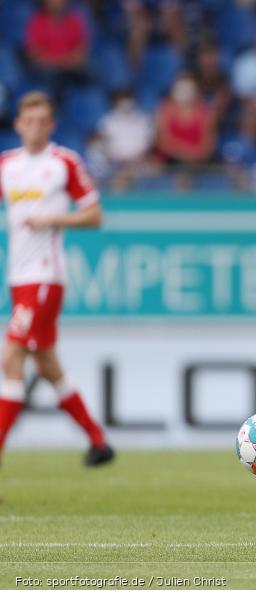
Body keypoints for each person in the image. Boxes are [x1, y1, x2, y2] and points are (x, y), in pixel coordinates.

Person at [0, 92, 113, 467]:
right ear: (18, 124)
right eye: (28, 120)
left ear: (51, 125)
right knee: (47, 365)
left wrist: (53, 219)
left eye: (42, 120)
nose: (35, 127)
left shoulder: (64, 162)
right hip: (19, 277)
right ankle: (99, 442)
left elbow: (94, 215)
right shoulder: (7, 165)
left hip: (46, 276)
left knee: (11, 355)